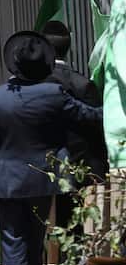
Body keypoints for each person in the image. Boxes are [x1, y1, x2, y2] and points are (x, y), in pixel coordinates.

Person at [0, 30, 103, 265]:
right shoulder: (55, 95)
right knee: (34, 245)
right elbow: (91, 117)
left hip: (7, 184)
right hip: (43, 182)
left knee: (14, 248)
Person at [41, 20, 108, 228]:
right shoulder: (84, 85)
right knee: (82, 236)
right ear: (69, 48)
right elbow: (98, 131)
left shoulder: (32, 86)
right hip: (83, 176)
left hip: (39, 175)